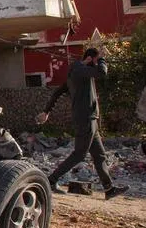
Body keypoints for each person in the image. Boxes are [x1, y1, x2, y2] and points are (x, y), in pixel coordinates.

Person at [35, 48, 128, 199]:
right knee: (79, 154)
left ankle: (109, 189)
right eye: (95, 61)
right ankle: (51, 180)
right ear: (91, 59)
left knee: (99, 155)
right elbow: (102, 72)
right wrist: (102, 59)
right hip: (85, 119)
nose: (97, 65)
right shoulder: (79, 70)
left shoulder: (76, 72)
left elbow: (58, 92)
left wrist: (47, 111)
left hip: (90, 119)